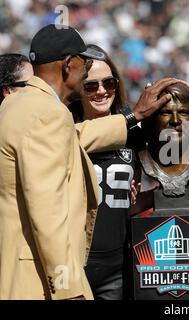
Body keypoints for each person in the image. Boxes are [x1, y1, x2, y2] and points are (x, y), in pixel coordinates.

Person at [0, 24, 178, 300]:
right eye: (85, 70)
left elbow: (75, 137)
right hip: (43, 276)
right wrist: (69, 288)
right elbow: (47, 211)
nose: (89, 78)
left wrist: (133, 117)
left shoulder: (18, 105)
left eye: (108, 82)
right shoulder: (48, 113)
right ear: (69, 64)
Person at [69, 44, 139, 300]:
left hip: (116, 268)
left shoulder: (133, 134)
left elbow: (126, 203)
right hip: (73, 265)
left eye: (108, 83)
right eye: (90, 85)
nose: (101, 91)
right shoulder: (64, 128)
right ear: (78, 88)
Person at [133, 82, 189, 216]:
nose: (175, 120)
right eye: (165, 112)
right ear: (151, 119)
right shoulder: (140, 154)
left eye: (183, 112)